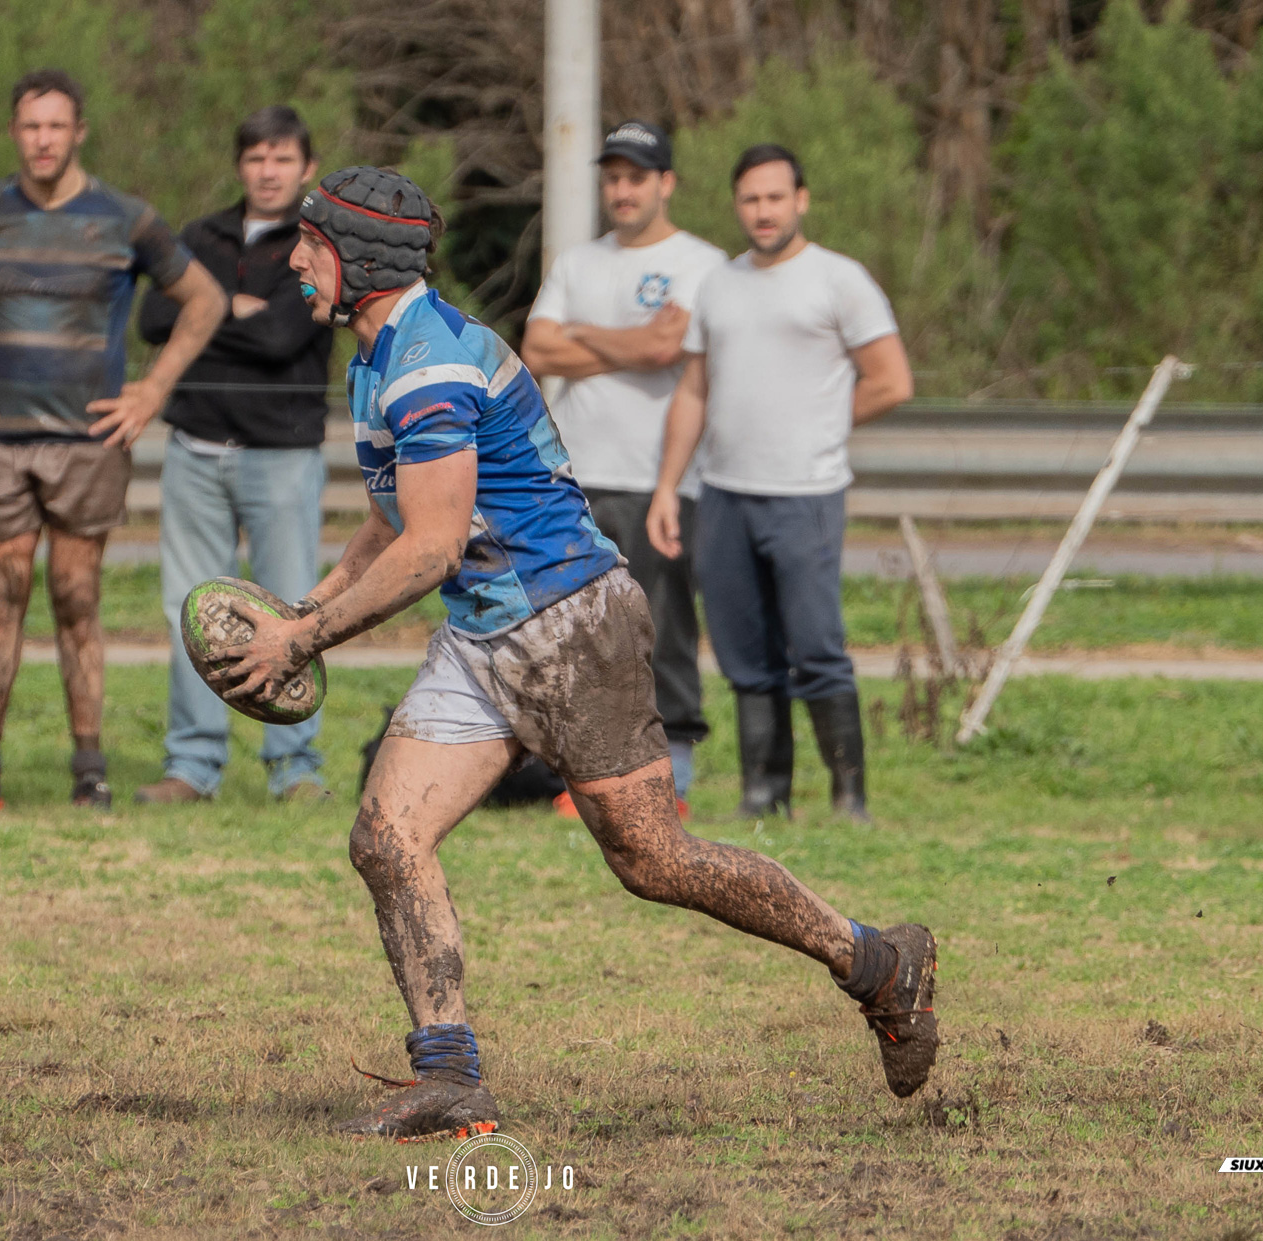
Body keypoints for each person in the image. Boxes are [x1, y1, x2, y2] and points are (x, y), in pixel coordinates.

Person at [213, 166, 938, 1139]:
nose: (296, 259)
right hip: (485, 638)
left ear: (362, 257)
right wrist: (304, 608)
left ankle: (874, 959)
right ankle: (449, 1075)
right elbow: (395, 523)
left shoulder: (429, 361)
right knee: (385, 837)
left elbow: (432, 546)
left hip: (572, 627)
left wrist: (299, 637)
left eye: (311, 242)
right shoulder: (377, 354)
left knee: (652, 858)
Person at [0, 69, 228, 812]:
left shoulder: (126, 218)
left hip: (88, 443)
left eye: (55, 126)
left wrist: (154, 387)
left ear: (79, 131)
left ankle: (91, 769)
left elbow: (203, 298)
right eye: (30, 126)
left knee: (77, 597)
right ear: (14, 131)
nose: (42, 139)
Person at [648, 144, 913, 823]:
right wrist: (668, 486)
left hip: (806, 495)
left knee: (816, 645)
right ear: (736, 206)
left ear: (801, 200)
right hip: (724, 494)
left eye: (774, 197)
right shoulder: (720, 284)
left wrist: (822, 423)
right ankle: (765, 793)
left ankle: (849, 796)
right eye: (749, 200)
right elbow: (694, 390)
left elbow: (891, 380)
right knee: (744, 652)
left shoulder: (839, 280)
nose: (762, 211)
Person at [522, 121, 725, 816]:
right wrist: (630, 345)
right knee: (579, 630)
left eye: (636, 177)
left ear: (665, 183)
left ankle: (674, 777)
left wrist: (584, 334)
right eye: (612, 177)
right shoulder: (579, 262)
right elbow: (538, 348)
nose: (622, 190)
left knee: (658, 627)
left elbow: (673, 347)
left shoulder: (703, 262)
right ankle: (587, 778)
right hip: (574, 475)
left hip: (657, 478)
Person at [134, 105, 332, 805]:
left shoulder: (319, 240)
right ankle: (192, 765)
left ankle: (295, 766)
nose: (268, 171)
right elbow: (154, 317)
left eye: (281, 158)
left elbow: (285, 337)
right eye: (255, 157)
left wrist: (207, 310)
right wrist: (240, 308)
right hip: (195, 447)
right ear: (239, 165)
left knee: (291, 611)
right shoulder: (201, 235)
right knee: (190, 610)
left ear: (305, 166)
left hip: (281, 453)